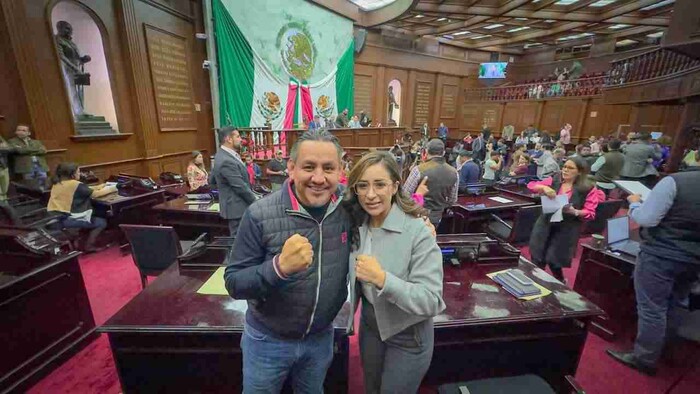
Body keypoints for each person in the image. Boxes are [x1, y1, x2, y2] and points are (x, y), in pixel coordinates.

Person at [224, 129, 349, 394]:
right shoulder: (258, 214)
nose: (318, 178)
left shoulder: (348, 208)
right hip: (267, 340)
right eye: (308, 167)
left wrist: (419, 223)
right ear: (291, 168)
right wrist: (278, 268)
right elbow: (234, 282)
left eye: (328, 168)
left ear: (341, 170)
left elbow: (387, 202)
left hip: (320, 338)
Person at [343, 151, 445, 393]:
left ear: (395, 186)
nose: (370, 194)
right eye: (363, 186)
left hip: (408, 335)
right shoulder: (356, 221)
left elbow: (431, 300)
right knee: (371, 388)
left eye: (380, 184)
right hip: (370, 327)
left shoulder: (418, 231)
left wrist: (382, 279)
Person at [606, 159, 700, 376]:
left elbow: (646, 219)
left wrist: (635, 203)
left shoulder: (675, 181)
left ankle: (645, 357)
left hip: (661, 254)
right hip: (694, 259)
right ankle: (665, 349)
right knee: (677, 303)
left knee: (652, 307)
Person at [527, 157, 604, 282]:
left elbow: (590, 212)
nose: (565, 170)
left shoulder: (588, 188)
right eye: (565, 167)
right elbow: (531, 185)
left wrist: (575, 211)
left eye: (570, 168)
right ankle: (535, 282)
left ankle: (560, 281)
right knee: (537, 255)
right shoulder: (555, 179)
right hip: (545, 223)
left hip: (567, 227)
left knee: (554, 259)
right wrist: (544, 188)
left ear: (579, 172)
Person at [47, 162, 117, 253]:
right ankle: (89, 246)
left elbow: (86, 189)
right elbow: (95, 194)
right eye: (78, 172)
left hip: (55, 216)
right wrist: (114, 187)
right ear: (72, 174)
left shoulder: (59, 182)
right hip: (66, 218)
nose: (80, 174)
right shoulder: (74, 184)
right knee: (101, 222)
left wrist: (102, 186)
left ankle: (82, 239)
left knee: (98, 211)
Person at [210, 126, 257, 236]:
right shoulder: (226, 160)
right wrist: (256, 202)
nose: (241, 139)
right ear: (228, 139)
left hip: (237, 208)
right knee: (240, 245)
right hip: (237, 210)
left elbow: (212, 181)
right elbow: (239, 186)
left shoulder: (222, 155)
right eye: (238, 136)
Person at [402, 139, 458, 227]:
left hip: (416, 215)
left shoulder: (419, 170)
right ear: (443, 153)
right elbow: (452, 200)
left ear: (426, 152)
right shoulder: (454, 172)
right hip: (437, 217)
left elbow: (405, 194)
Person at [0, 135, 16, 201]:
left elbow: (10, 149)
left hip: (3, 167)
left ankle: (5, 205)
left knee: (4, 190)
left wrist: (3, 147)